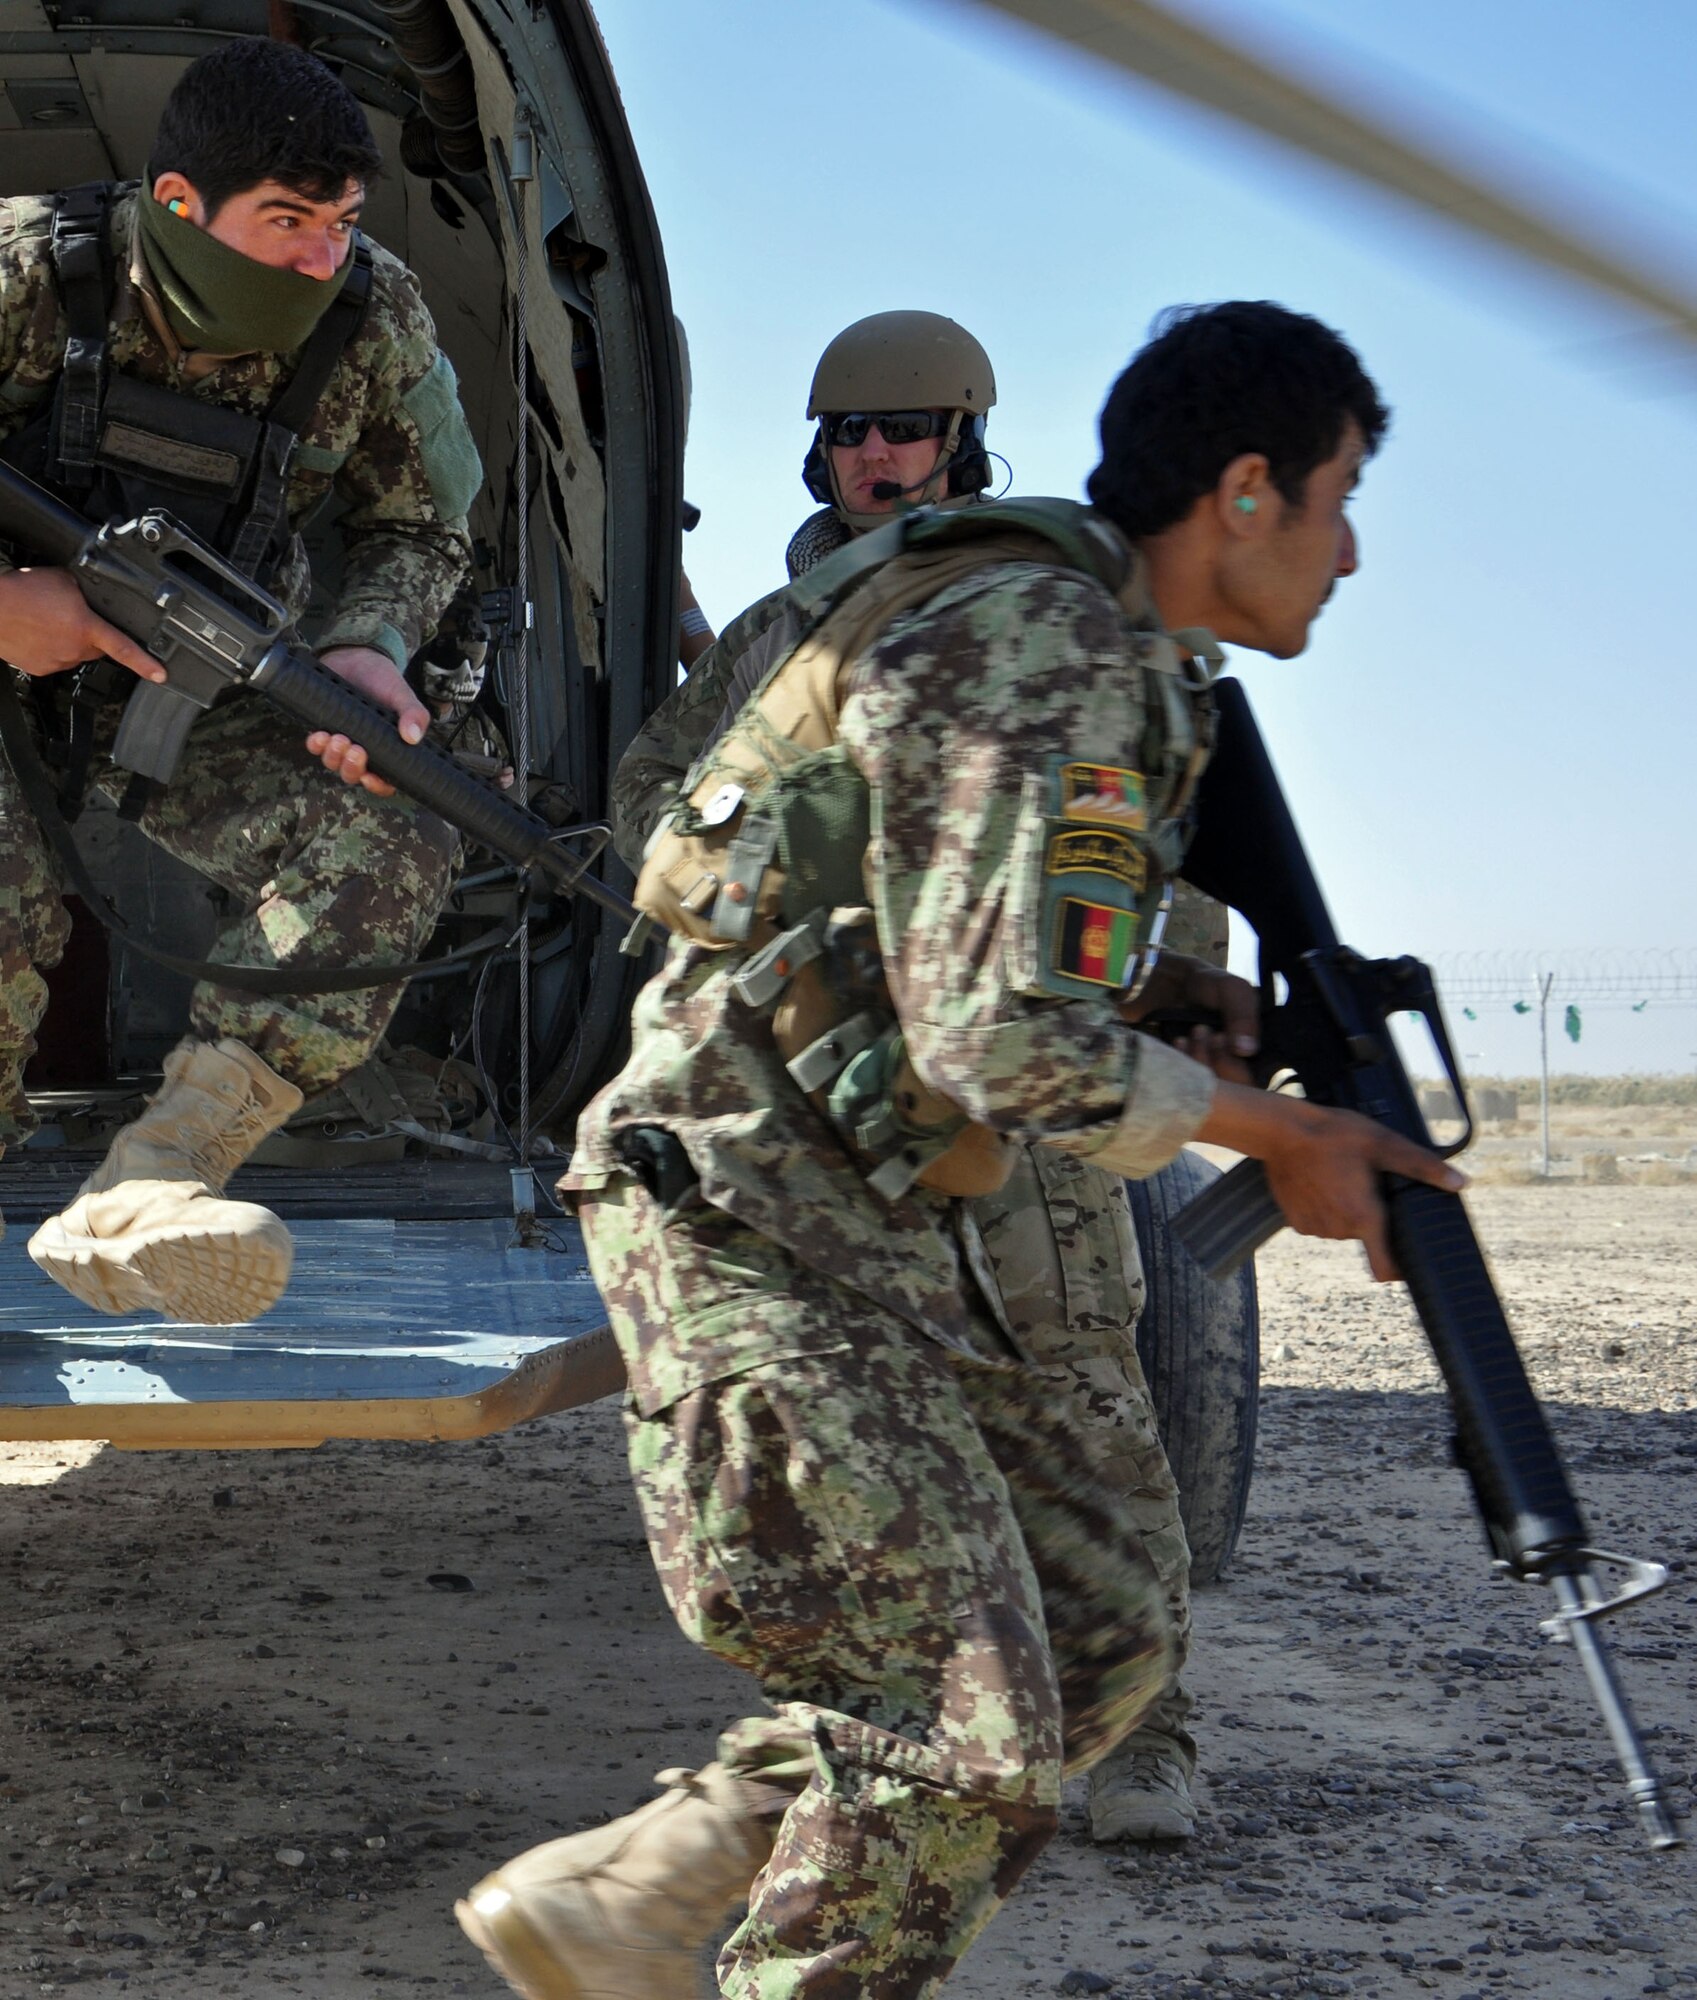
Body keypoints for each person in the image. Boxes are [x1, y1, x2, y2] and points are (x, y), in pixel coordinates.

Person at [455, 299, 1466, 2000]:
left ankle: (638, 1883)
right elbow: (982, 1036)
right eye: (1338, 495)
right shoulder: (1038, 638)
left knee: (1111, 1637)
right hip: (755, 1221)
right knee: (973, 1738)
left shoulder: (1092, 652)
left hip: (887, 1222)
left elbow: (962, 942)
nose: (1349, 550)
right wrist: (1278, 1132)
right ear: (1240, 491)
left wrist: (1165, 1004)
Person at [614, 307, 1217, 1845]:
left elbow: (1150, 832)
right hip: (842, 1075)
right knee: (874, 1432)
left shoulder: (1064, 607)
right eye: (848, 436)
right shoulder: (783, 626)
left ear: (961, 436)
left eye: (902, 432)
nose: (873, 458)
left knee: (1081, 1390)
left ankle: (1147, 1733)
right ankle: (894, 1756)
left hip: (1023, 1067)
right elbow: (657, 806)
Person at [0, 38, 479, 1320]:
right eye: (284, 221)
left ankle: (154, 1183)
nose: (320, 256)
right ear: (176, 208)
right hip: (12, 655)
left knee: (395, 821)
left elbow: (423, 524)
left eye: (339, 222)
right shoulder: (24, 274)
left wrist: (371, 641)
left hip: (191, 679)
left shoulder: (374, 314)